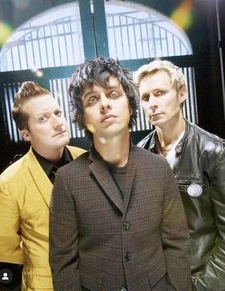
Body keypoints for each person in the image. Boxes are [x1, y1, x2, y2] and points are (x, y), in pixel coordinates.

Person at [49, 57, 191, 291]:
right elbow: (63, 262)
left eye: (113, 94)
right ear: (83, 117)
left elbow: (176, 243)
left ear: (131, 106)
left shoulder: (158, 168)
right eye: (92, 99)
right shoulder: (67, 180)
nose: (104, 104)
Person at [134, 59, 225, 291]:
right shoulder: (138, 156)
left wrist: (201, 285)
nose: (152, 103)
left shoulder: (214, 152)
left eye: (159, 93)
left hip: (202, 279)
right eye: (145, 97)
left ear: (181, 93)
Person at [0, 81, 85, 290]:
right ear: (26, 134)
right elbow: (0, 247)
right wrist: (37, 255)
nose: (58, 123)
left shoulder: (87, 161)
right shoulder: (8, 185)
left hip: (95, 278)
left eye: (58, 113)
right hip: (46, 282)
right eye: (43, 119)